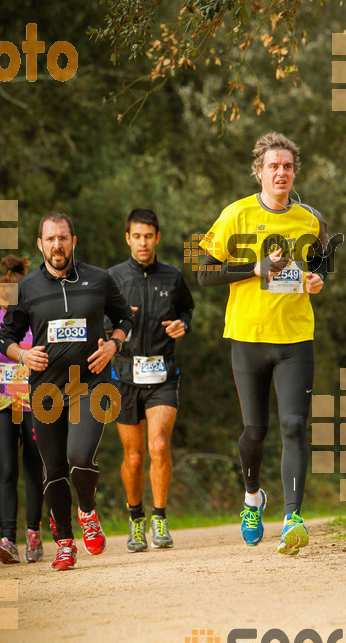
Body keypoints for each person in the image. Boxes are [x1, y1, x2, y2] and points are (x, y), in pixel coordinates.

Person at [198, 131, 328, 555]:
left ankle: (292, 516)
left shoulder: (311, 219)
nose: (281, 172)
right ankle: (253, 497)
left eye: (287, 166)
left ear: (295, 172)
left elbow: (323, 266)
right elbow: (204, 274)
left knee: (293, 425)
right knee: (255, 430)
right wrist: (253, 268)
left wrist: (318, 279)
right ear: (259, 172)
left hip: (295, 339)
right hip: (249, 338)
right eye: (273, 166)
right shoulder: (235, 215)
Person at [0, 212, 133, 571]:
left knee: (78, 455)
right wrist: (23, 354)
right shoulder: (26, 288)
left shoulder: (99, 279)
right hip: (46, 390)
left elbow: (125, 319)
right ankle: (64, 543)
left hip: (90, 382)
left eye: (63, 237)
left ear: (74, 240)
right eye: (50, 239)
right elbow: (7, 337)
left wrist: (114, 345)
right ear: (40, 244)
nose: (57, 245)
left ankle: (87, 510)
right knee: (54, 469)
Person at [108, 208, 194, 552]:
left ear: (157, 238)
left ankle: (159, 517)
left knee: (158, 445)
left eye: (149, 236)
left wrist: (182, 325)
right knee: (134, 457)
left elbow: (187, 309)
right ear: (127, 238)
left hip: (163, 373)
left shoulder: (172, 277)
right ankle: (135, 519)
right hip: (124, 375)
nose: (143, 242)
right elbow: (101, 320)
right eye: (137, 236)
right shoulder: (112, 278)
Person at [0, 255, 44, 564]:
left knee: (33, 468)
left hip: (32, 402)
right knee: (6, 469)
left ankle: (33, 534)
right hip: (3, 402)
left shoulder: (30, 317)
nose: (9, 294)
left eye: (14, 289)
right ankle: (7, 538)